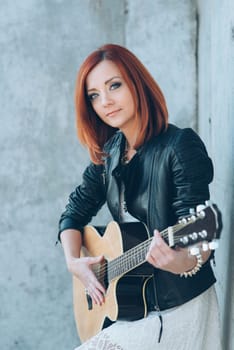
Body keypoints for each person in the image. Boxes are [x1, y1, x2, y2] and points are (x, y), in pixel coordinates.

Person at [58, 44, 222, 350]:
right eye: (94, 95)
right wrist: (73, 262)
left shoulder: (179, 146)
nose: (105, 102)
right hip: (135, 309)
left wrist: (177, 261)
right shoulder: (109, 155)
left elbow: (200, 239)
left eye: (114, 86)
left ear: (137, 82)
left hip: (179, 305)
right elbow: (73, 213)